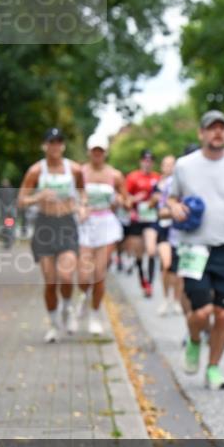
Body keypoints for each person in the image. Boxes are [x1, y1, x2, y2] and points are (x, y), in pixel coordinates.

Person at [168, 110, 224, 390]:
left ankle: (214, 367)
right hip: (194, 247)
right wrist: (176, 208)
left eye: (222, 128)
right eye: (211, 128)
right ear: (201, 133)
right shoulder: (184, 165)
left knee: (222, 314)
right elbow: (171, 199)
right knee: (201, 312)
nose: (217, 132)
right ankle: (195, 340)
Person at [17, 128, 86, 342]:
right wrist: (39, 196)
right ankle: (54, 325)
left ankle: (67, 307)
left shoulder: (74, 169)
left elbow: (83, 192)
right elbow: (21, 200)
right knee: (50, 282)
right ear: (44, 145)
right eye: (51, 142)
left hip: (66, 224)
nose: (55, 146)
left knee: (66, 275)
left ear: (63, 145)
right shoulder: (36, 171)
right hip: (44, 225)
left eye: (58, 142)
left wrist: (82, 207)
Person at [77, 135, 124, 335]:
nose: (97, 154)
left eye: (101, 151)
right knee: (83, 276)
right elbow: (74, 195)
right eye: (94, 150)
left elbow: (124, 197)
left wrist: (119, 200)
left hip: (106, 223)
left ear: (105, 153)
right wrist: (80, 207)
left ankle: (95, 315)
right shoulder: (80, 172)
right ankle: (84, 296)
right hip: (86, 224)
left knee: (99, 274)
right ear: (89, 152)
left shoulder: (115, 175)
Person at [124, 149, 161, 298]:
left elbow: (163, 198)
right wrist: (134, 200)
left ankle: (150, 285)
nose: (147, 162)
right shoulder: (132, 177)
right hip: (137, 220)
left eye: (150, 160)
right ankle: (143, 281)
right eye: (145, 160)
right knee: (138, 255)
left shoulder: (157, 178)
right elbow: (126, 201)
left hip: (151, 219)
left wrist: (156, 200)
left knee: (151, 250)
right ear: (141, 161)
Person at [152, 155, 183, 316]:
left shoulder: (183, 182)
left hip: (179, 231)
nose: (169, 167)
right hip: (164, 229)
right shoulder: (160, 184)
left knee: (178, 270)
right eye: (166, 165)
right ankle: (165, 298)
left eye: (172, 164)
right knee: (166, 264)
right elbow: (157, 208)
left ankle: (176, 300)